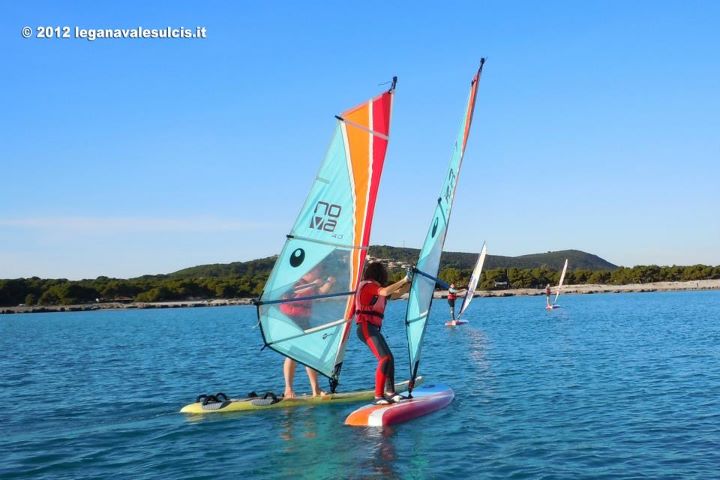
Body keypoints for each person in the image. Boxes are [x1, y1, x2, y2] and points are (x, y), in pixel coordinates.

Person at [355, 262, 412, 405]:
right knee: (384, 358)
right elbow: (386, 292)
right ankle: (378, 396)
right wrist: (404, 279)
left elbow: (396, 294)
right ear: (379, 274)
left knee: (389, 358)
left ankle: (390, 392)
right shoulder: (369, 286)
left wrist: (410, 282)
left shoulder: (376, 289)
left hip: (372, 328)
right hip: (366, 327)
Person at [280, 266, 336, 398]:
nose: (320, 273)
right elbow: (292, 292)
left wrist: (330, 282)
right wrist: (312, 284)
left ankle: (315, 389)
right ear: (309, 272)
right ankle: (288, 389)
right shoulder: (296, 282)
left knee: (310, 355)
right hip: (290, 320)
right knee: (292, 354)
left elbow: (321, 293)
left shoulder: (311, 284)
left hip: (304, 320)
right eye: (318, 271)